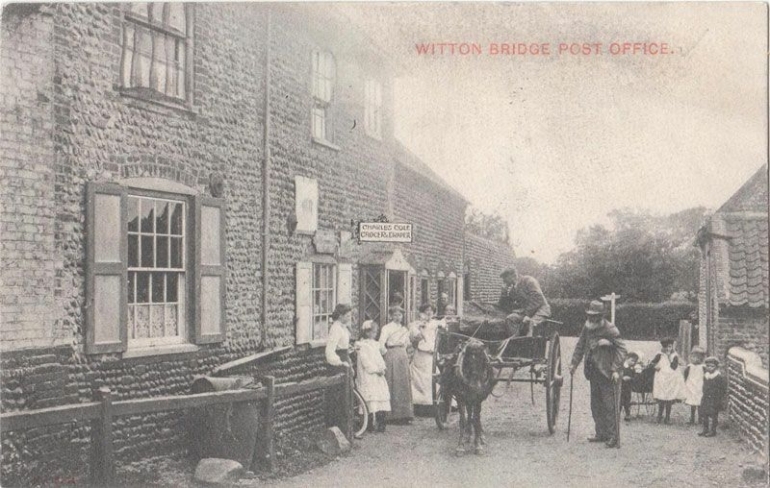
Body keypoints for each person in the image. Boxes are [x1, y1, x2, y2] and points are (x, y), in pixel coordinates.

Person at [569, 300, 627, 448]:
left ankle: (613, 436)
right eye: (589, 315)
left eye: (594, 316)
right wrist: (573, 363)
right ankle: (601, 433)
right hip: (593, 371)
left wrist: (615, 368)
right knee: (595, 404)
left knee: (610, 406)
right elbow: (580, 345)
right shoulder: (587, 327)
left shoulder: (610, 329)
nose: (591, 318)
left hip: (608, 372)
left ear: (601, 316)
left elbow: (622, 349)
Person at [378, 305, 414, 423]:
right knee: (393, 382)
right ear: (391, 316)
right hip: (392, 353)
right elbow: (381, 343)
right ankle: (392, 415)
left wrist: (406, 354)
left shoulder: (404, 329)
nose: (397, 317)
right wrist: (386, 354)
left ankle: (404, 414)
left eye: (400, 315)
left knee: (403, 383)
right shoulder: (386, 328)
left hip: (402, 355)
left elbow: (408, 344)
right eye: (395, 315)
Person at [409, 303, 445, 415]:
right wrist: (419, 328)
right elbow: (413, 338)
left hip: (431, 355)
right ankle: (419, 406)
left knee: (431, 377)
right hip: (420, 354)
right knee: (419, 379)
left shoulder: (436, 323)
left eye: (431, 311)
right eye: (426, 311)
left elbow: (444, 327)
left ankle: (433, 405)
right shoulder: (416, 324)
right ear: (422, 313)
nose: (428, 313)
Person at [355, 320, 390, 433]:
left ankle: (381, 423)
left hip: (378, 375)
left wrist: (382, 368)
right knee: (369, 399)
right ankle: (368, 424)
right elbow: (366, 362)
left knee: (380, 396)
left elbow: (379, 358)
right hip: (368, 375)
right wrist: (375, 370)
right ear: (367, 332)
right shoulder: (362, 345)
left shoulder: (375, 344)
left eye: (376, 332)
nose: (375, 334)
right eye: (373, 332)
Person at [497, 267, 551, 337]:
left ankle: (527, 344)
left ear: (513, 275)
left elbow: (537, 298)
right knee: (510, 318)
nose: (504, 281)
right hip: (526, 312)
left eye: (505, 278)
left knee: (530, 323)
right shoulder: (512, 289)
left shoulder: (529, 281)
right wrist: (504, 291)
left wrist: (527, 315)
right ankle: (516, 341)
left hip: (540, 310)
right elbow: (504, 304)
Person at [324, 304, 353, 430]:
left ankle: (346, 428)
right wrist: (340, 362)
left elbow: (342, 345)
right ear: (340, 316)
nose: (349, 317)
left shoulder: (343, 328)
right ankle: (336, 428)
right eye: (347, 315)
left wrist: (350, 349)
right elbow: (330, 351)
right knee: (338, 397)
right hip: (338, 365)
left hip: (345, 358)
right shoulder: (336, 328)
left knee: (346, 395)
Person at [650, 338, 686, 424]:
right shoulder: (659, 355)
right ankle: (659, 416)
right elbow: (652, 363)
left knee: (669, 398)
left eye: (669, 346)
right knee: (662, 397)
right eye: (665, 347)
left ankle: (667, 417)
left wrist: (670, 357)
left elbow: (674, 367)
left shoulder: (674, 356)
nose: (668, 349)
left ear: (672, 346)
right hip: (661, 378)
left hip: (671, 378)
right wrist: (655, 367)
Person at [699, 357, 727, 437]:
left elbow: (723, 389)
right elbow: (704, 386)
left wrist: (720, 398)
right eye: (708, 366)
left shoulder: (718, 377)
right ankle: (705, 429)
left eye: (712, 366)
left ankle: (713, 430)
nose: (709, 368)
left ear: (716, 367)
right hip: (706, 398)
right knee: (704, 414)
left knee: (714, 415)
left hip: (715, 399)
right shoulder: (706, 376)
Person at [684, 346, 706, 425]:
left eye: (698, 357)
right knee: (692, 403)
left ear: (701, 358)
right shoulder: (690, 367)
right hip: (692, 385)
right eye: (694, 357)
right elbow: (685, 376)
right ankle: (692, 418)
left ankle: (700, 418)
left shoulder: (703, 367)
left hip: (700, 385)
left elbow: (705, 377)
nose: (696, 359)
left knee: (700, 402)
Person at [621, 352, 639, 421]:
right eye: (632, 360)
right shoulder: (622, 367)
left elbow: (635, 378)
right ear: (627, 358)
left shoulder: (632, 369)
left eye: (634, 361)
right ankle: (617, 414)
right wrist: (622, 378)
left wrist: (631, 378)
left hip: (628, 387)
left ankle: (627, 414)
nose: (633, 363)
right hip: (621, 386)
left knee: (627, 400)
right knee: (620, 401)